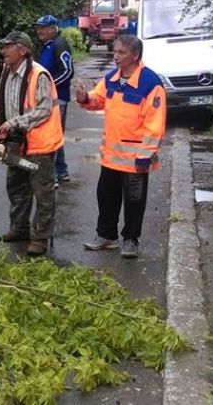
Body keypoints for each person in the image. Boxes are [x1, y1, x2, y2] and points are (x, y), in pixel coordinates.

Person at [76, 34, 167, 259]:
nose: (115, 56)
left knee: (134, 201)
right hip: (111, 158)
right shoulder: (111, 79)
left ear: (135, 55)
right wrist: (85, 98)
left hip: (135, 160)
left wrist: (145, 156)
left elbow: (155, 125)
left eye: (121, 52)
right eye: (115, 51)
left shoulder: (150, 84)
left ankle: (130, 240)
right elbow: (98, 99)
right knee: (106, 197)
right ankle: (106, 236)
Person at [0, 31, 64, 257]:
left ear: (22, 50)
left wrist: (13, 123)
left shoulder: (39, 75)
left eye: (7, 46)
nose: (3, 50)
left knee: (43, 194)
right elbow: (2, 104)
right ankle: (19, 229)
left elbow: (43, 110)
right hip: (16, 144)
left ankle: (39, 239)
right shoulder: (6, 71)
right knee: (16, 187)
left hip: (39, 147)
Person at [34, 14, 74, 185]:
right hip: (50, 98)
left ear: (52, 29)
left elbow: (68, 71)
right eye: (38, 28)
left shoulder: (59, 44)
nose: (39, 31)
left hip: (58, 99)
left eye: (43, 28)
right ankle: (62, 171)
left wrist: (48, 86)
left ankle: (53, 176)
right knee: (55, 133)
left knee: (51, 135)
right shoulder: (48, 45)